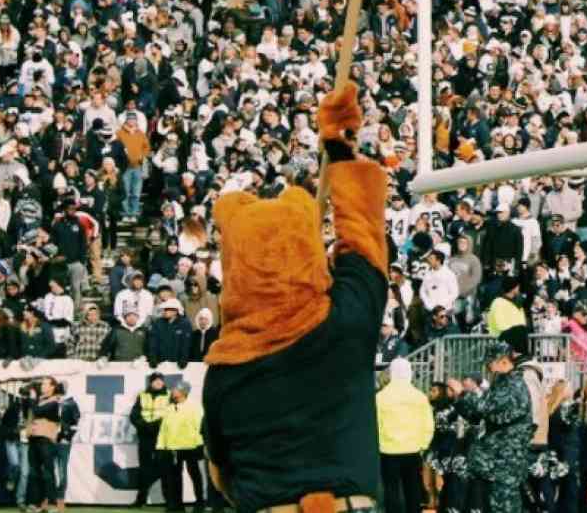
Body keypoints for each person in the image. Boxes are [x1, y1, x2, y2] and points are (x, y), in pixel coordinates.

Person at [201, 84, 390, 512]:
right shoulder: (344, 323)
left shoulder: (224, 374)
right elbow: (363, 239)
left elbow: (222, 474)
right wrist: (340, 150)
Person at [451, 341, 534, 513]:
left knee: (504, 505)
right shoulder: (502, 383)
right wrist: (460, 401)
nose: (489, 370)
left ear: (503, 361)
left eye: (490, 364)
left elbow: (484, 407)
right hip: (496, 459)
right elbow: (477, 416)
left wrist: (462, 393)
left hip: (506, 459)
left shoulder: (513, 385)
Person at [377, 358, 435, 513]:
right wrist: (423, 444)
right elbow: (428, 424)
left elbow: (376, 424)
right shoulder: (420, 396)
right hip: (413, 450)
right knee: (413, 490)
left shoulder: (380, 397)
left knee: (391, 491)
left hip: (388, 451)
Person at [158, 379, 208, 511]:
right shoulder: (169, 408)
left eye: (175, 389)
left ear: (182, 392)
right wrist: (162, 445)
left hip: (191, 446)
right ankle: (177, 505)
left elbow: (200, 426)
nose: (172, 391)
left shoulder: (194, 407)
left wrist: (200, 444)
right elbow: (164, 428)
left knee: (195, 474)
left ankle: (199, 503)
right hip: (173, 448)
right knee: (175, 477)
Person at [25, 379, 69, 513]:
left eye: (45, 384)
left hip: (46, 440)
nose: (41, 386)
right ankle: (37, 504)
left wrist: (32, 399)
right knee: (34, 472)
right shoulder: (39, 399)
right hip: (33, 439)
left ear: (52, 387)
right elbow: (30, 412)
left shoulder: (55, 401)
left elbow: (38, 411)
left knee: (48, 473)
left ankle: (53, 503)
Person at [130, 372, 173, 507]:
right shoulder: (142, 395)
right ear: (151, 382)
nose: (159, 383)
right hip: (145, 437)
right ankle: (140, 500)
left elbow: (171, 414)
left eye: (161, 380)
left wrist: (154, 426)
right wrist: (144, 425)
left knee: (165, 469)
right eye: (156, 381)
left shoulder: (169, 395)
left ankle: (169, 501)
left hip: (162, 437)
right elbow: (134, 415)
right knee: (144, 469)